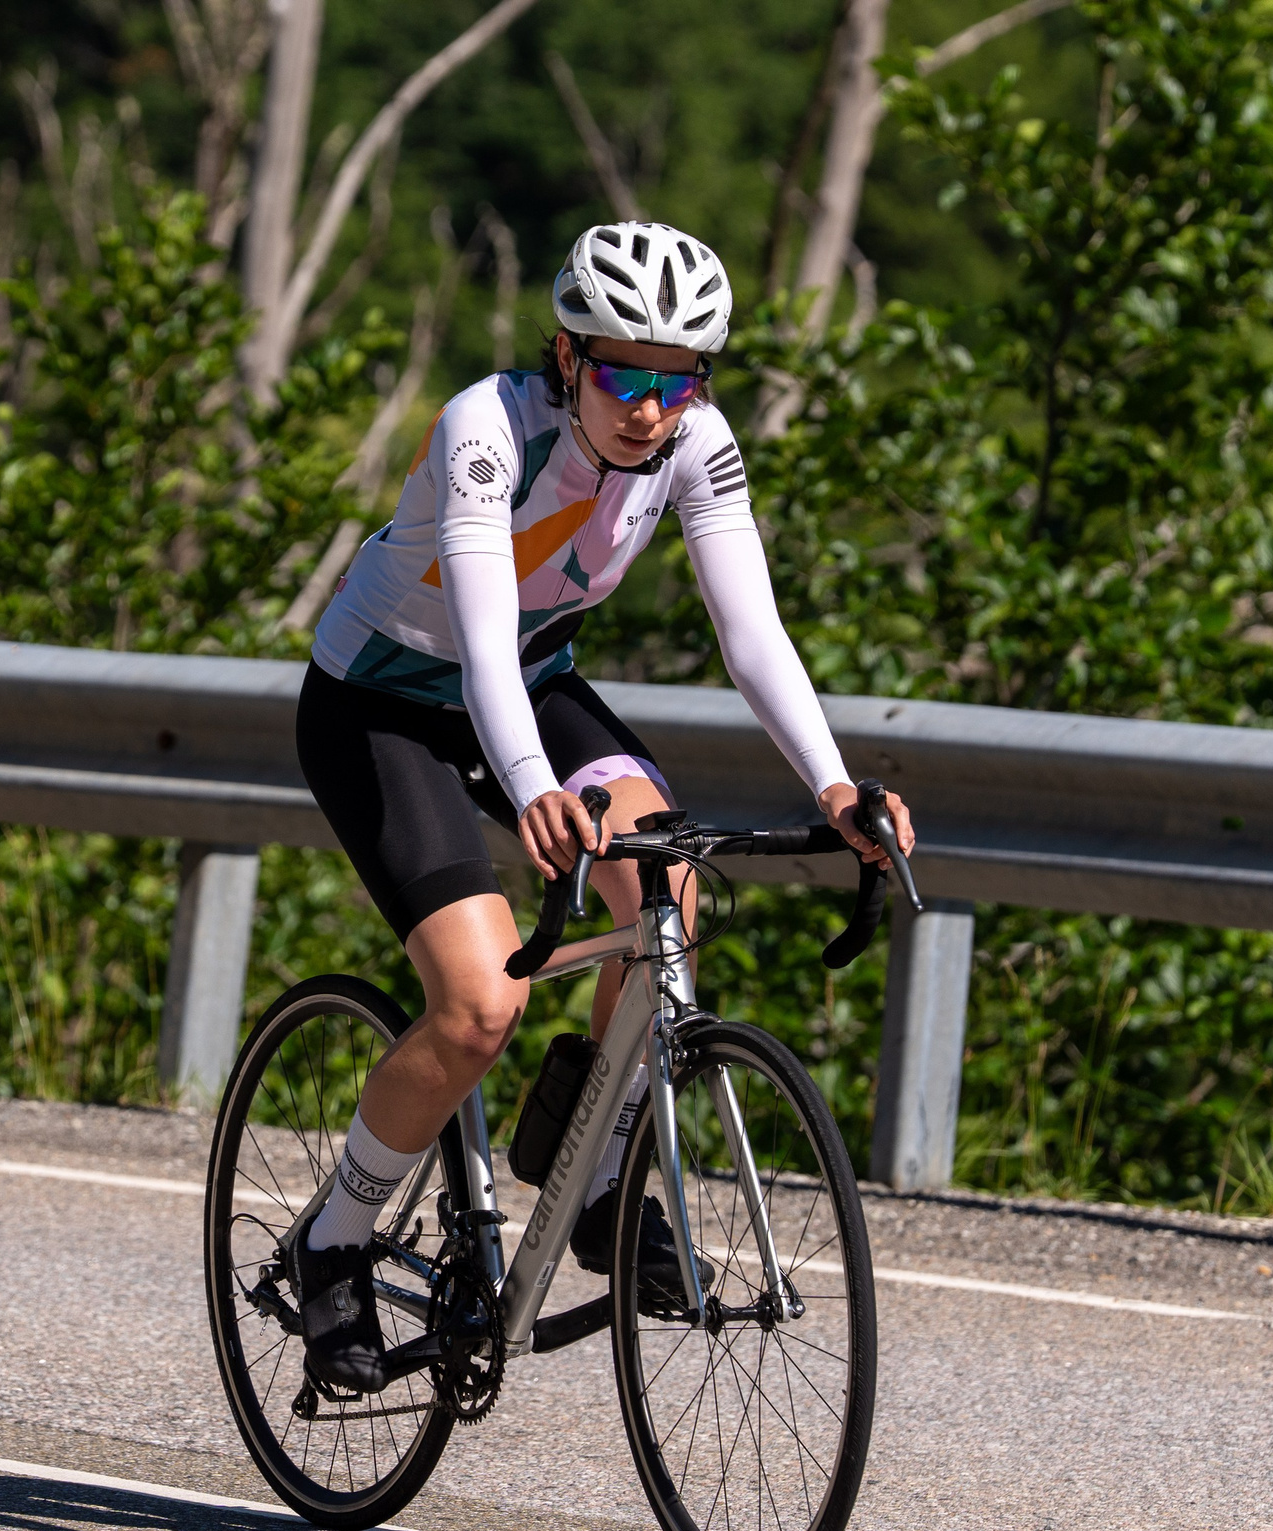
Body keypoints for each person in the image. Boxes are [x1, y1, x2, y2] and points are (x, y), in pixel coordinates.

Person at [292, 220, 915, 1391]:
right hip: (384, 702)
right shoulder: (488, 427)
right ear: (570, 359)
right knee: (478, 1007)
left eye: (678, 378)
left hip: (531, 681)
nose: (649, 405)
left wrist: (833, 785)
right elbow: (476, 638)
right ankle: (331, 1242)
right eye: (624, 373)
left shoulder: (696, 444)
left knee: (666, 886)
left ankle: (590, 1175)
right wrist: (530, 790)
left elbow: (752, 636)